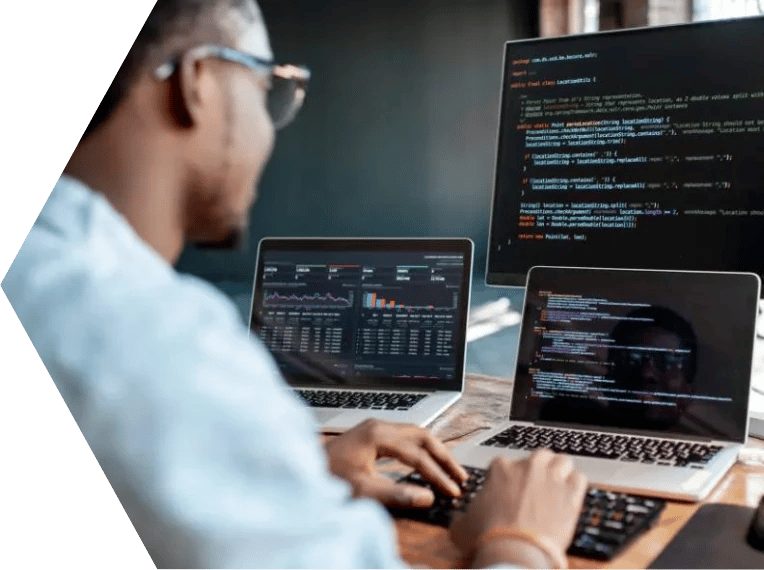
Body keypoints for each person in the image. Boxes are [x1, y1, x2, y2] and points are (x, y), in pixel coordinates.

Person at [1, 0, 587, 567]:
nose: (269, 129)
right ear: (197, 82)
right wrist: (521, 541)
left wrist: (292, 470)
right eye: (267, 90)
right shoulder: (159, 341)